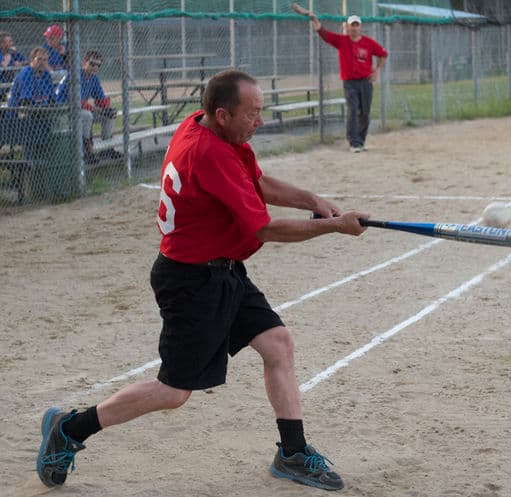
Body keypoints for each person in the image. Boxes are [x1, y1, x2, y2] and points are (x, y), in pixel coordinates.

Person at [36, 69, 369, 492]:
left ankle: (293, 452)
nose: (260, 122)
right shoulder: (209, 153)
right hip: (190, 281)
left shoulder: (207, 128)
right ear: (222, 114)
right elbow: (263, 229)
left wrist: (314, 201)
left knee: (277, 344)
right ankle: (70, 429)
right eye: (252, 114)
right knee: (173, 392)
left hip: (223, 268)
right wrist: (336, 226)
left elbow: (256, 182)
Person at [308, 13, 388, 153]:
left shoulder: (368, 43)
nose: (355, 28)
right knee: (353, 110)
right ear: (348, 27)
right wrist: (315, 20)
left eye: (357, 25)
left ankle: (361, 141)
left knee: (365, 113)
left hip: (365, 82)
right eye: (352, 25)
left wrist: (377, 70)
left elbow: (383, 54)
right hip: (350, 83)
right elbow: (324, 34)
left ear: (360, 27)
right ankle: (354, 142)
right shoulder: (342, 41)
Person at [56, 49, 119, 163]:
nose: (95, 67)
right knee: (87, 115)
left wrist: (107, 108)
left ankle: (107, 149)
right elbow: (77, 103)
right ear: (84, 62)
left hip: (79, 110)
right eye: (92, 64)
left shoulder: (94, 78)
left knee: (109, 116)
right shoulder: (75, 75)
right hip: (63, 110)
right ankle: (85, 150)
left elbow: (100, 100)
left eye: (98, 65)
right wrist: (100, 109)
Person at [0, 31, 27, 100]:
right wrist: (9, 55)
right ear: (1, 44)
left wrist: (20, 64)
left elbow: (27, 62)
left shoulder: (14, 53)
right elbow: (4, 65)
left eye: (11, 41)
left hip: (12, 85)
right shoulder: (7, 53)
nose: (11, 43)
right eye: (9, 42)